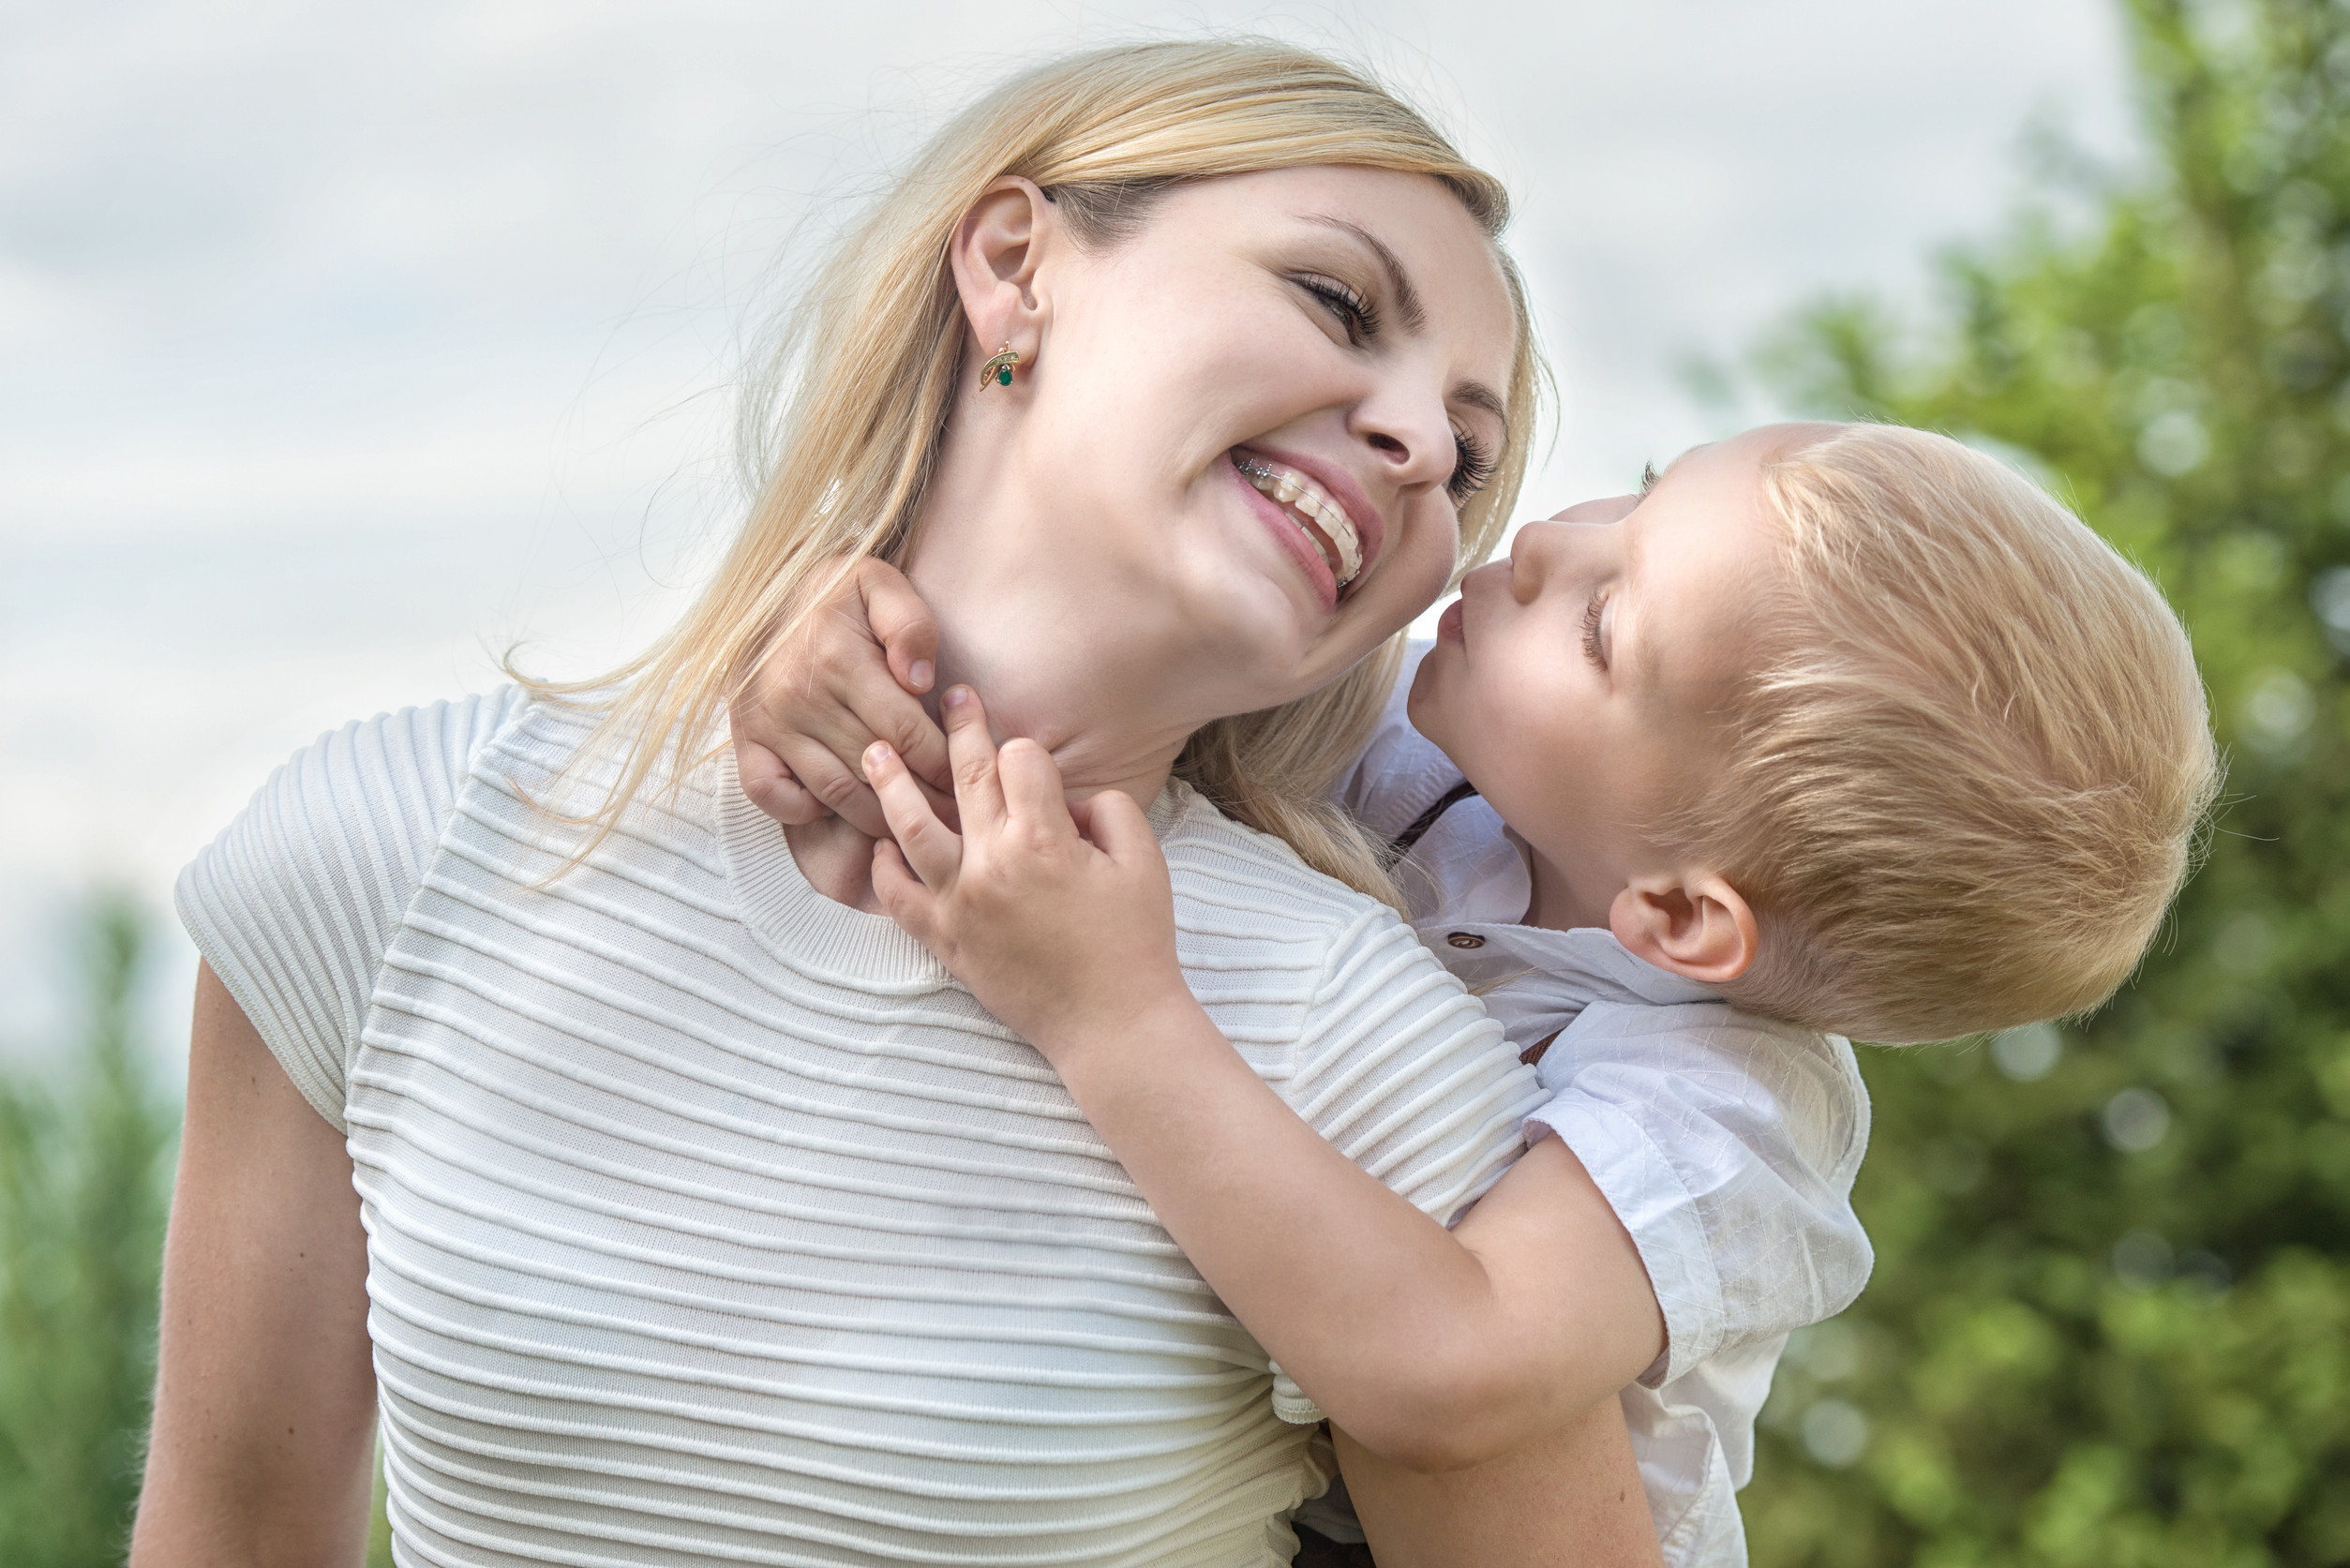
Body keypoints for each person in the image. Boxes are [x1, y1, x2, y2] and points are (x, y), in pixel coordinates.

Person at [130, 39, 1669, 1568]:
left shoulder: (1362, 1054)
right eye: (1337, 301)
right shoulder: (381, 854)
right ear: (1014, 269)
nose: (1417, 449)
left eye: (1467, 460)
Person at [744, 421, 2218, 1563]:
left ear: (1685, 912)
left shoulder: (1728, 1111)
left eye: (1603, 625)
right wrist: (853, 635)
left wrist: (1110, 1015)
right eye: (1637, 496)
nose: (1543, 546)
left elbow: (1444, 1373)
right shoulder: (1437, 765)